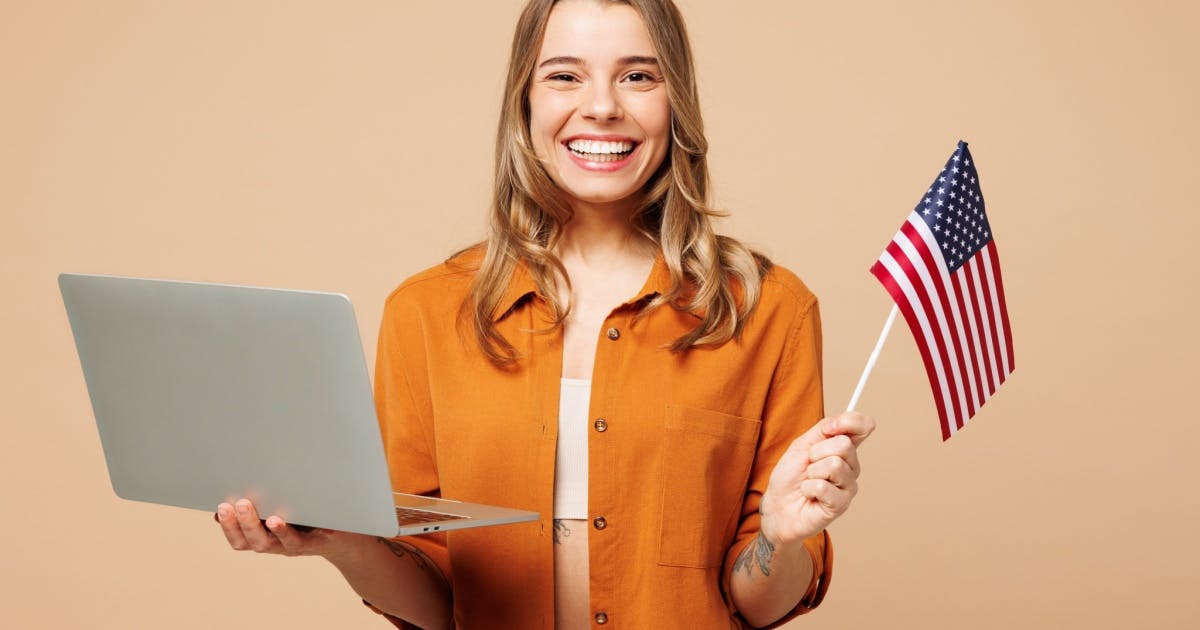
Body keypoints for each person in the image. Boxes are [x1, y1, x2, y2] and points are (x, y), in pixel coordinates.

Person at [215, 0, 875, 628]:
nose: (601, 107)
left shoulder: (767, 309)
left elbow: (759, 603)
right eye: (565, 76)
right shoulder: (423, 313)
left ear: (676, 101)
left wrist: (782, 537)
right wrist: (340, 541)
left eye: (638, 76)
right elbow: (436, 604)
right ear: (525, 101)